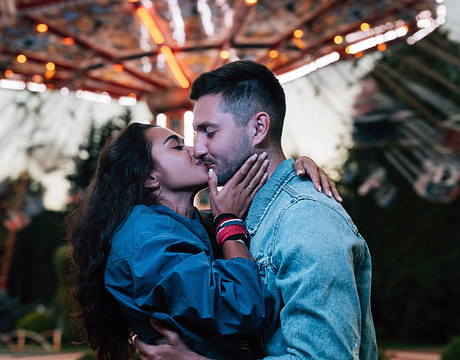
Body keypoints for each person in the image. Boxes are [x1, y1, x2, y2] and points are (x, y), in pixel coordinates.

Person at [137, 60, 378, 360]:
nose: (198, 149)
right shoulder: (238, 216)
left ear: (259, 128)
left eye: (209, 132)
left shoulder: (308, 219)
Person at [66, 121, 338, 360]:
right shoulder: (146, 244)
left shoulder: (188, 224)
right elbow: (244, 307)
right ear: (150, 177)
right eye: (177, 147)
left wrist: (294, 171)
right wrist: (229, 221)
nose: (196, 150)